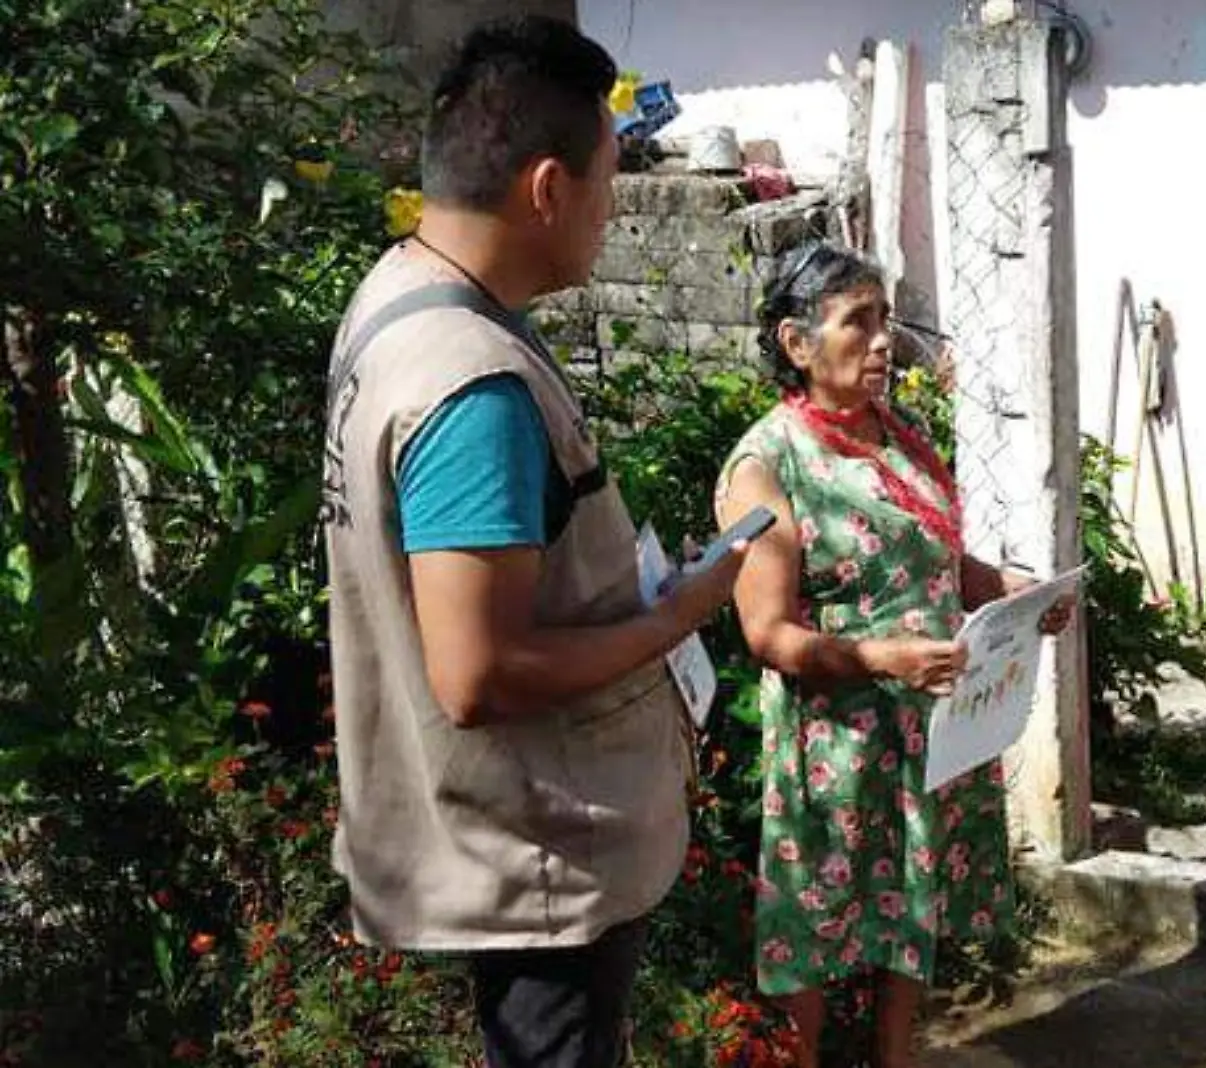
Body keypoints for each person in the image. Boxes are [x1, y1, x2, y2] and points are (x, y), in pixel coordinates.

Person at [319, 18, 745, 1068]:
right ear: (549, 189)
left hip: (504, 844)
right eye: (609, 177)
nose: (614, 208)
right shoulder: (472, 386)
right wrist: (673, 618)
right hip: (535, 866)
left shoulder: (396, 298)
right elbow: (478, 671)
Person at [714, 242, 1073, 1068]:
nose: (884, 342)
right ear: (796, 344)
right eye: (858, 323)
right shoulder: (768, 465)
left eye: (885, 321)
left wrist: (1008, 591)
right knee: (814, 917)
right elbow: (767, 634)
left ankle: (895, 1055)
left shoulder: (894, 435)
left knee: (913, 899)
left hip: (927, 726)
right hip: (837, 743)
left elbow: (935, 559)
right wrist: (883, 658)